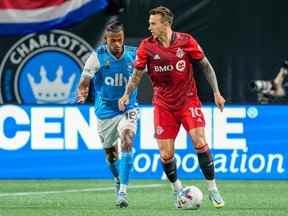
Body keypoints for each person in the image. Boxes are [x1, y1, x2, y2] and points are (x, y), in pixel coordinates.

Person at [118, 6, 225, 208]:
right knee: (166, 154)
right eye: (149, 23)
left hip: (188, 100)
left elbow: (206, 66)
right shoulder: (146, 47)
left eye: (153, 23)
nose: (149, 27)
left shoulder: (186, 41)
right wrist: (126, 94)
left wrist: (216, 92)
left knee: (199, 140)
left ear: (165, 24)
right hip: (163, 104)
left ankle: (213, 190)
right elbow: (137, 76)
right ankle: (178, 191)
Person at [77, 21, 138, 208]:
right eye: (113, 40)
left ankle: (123, 192)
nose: (117, 44)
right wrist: (82, 91)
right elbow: (85, 79)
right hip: (105, 112)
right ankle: (118, 178)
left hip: (128, 108)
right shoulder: (98, 56)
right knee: (111, 156)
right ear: (106, 40)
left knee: (127, 139)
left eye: (120, 40)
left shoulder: (133, 54)